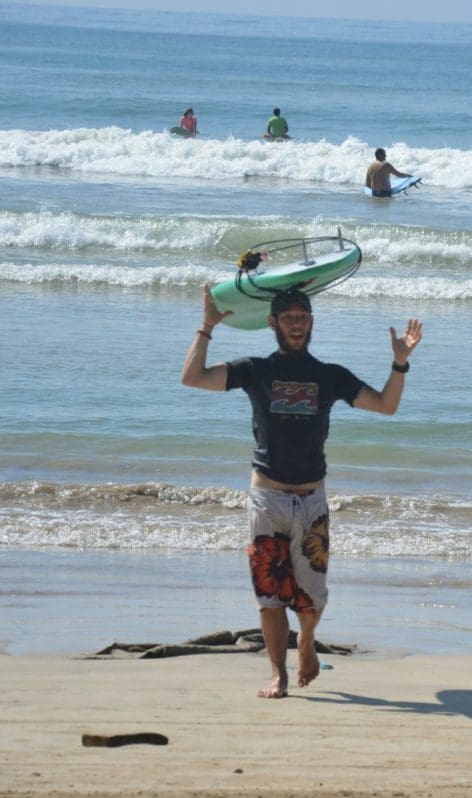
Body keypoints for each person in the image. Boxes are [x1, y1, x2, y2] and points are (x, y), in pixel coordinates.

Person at [181, 286, 422, 698]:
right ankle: (279, 674)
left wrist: (399, 364)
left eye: (303, 316)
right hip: (268, 498)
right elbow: (193, 378)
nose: (297, 323)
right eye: (288, 317)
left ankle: (306, 640)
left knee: (312, 596)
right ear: (272, 323)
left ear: (312, 323)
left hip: (312, 500)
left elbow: (385, 405)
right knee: (269, 595)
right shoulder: (254, 369)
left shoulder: (330, 376)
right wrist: (206, 326)